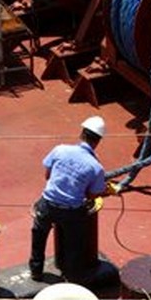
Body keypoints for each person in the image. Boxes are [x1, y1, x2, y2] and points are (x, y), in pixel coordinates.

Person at [29, 116, 116, 282]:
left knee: (38, 236)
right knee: (74, 245)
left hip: (47, 204)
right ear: (98, 141)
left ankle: (36, 271)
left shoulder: (60, 150)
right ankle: (72, 278)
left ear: (82, 134)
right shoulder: (96, 167)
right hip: (72, 212)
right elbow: (91, 195)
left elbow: (47, 175)